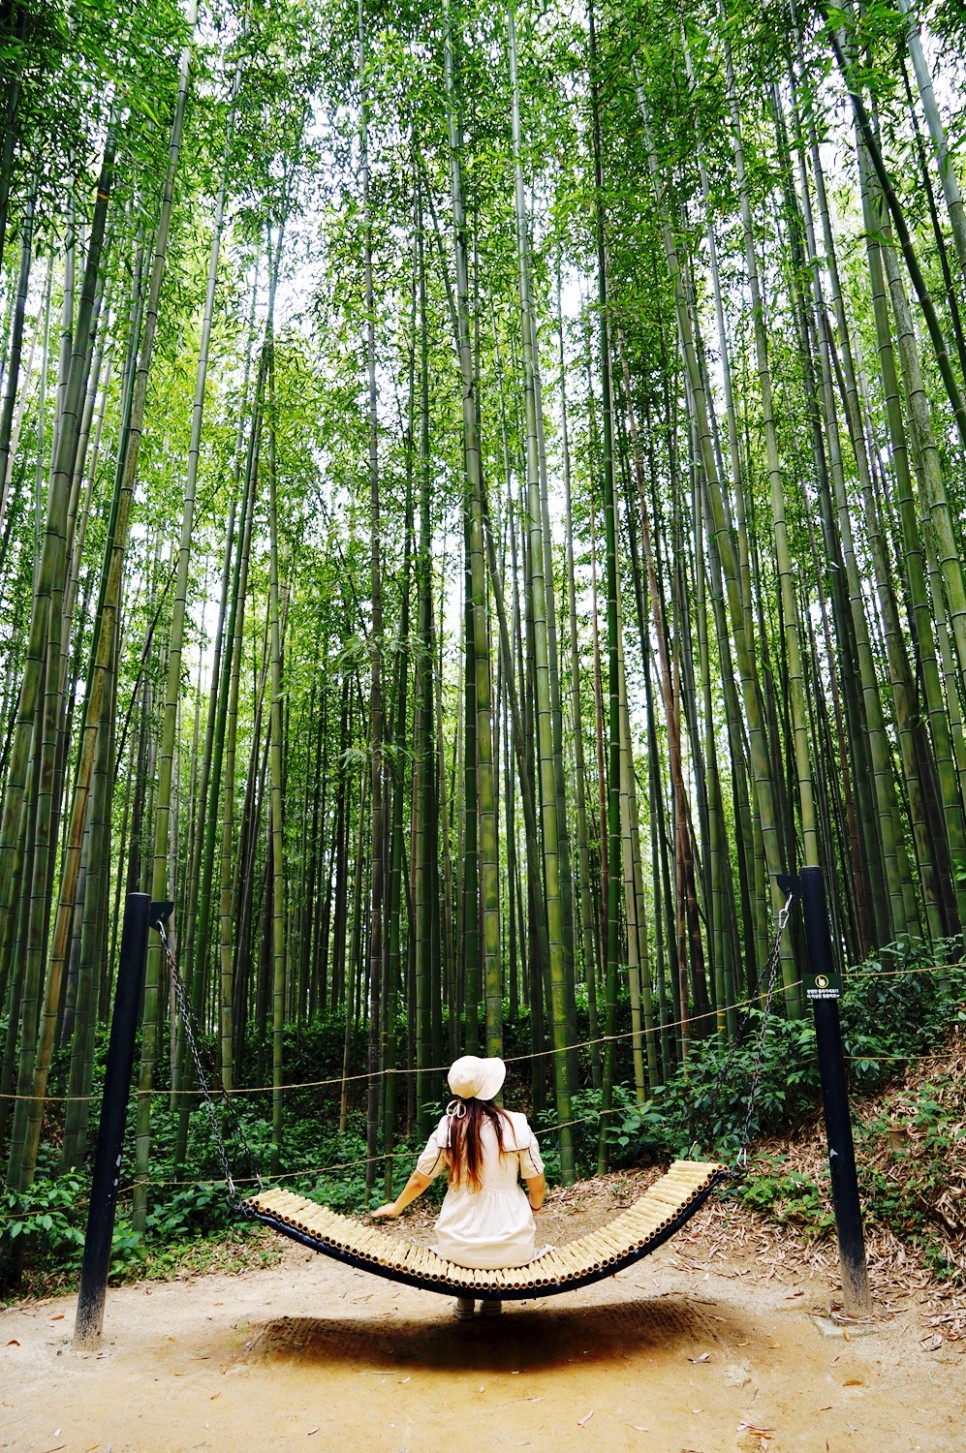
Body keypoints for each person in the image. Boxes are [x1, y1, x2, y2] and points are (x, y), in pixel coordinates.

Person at [371, 1054, 546, 1319]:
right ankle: (492, 1299)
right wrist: (535, 1205)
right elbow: (536, 1181)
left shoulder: (447, 1127)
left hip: (457, 1248)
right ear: (491, 1087)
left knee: (465, 1243)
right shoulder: (516, 1124)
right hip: (513, 1246)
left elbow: (421, 1179)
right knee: (498, 1243)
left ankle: (464, 1300)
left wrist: (396, 1207)